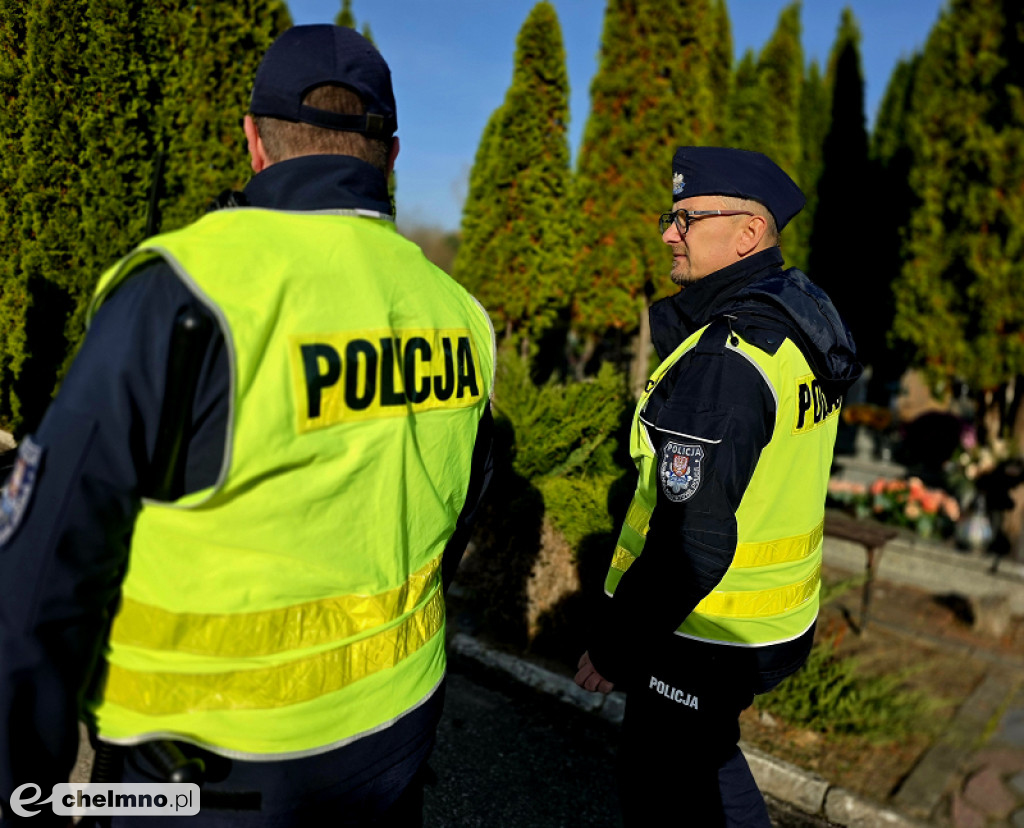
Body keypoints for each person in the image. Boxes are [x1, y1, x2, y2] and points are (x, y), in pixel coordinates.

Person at [0, 25, 495, 827]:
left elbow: (42, 571)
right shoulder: (460, 314)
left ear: (254, 142)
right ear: (392, 156)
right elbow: (458, 509)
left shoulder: (186, 288)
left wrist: (22, 789)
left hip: (204, 763)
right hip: (398, 728)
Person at [574, 147, 860, 827]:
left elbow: (694, 539)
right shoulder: (797, 322)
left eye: (686, 218)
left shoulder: (728, 358)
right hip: (766, 620)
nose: (668, 232)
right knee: (705, 758)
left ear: (747, 234)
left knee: (664, 789)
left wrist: (616, 647)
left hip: (703, 629)